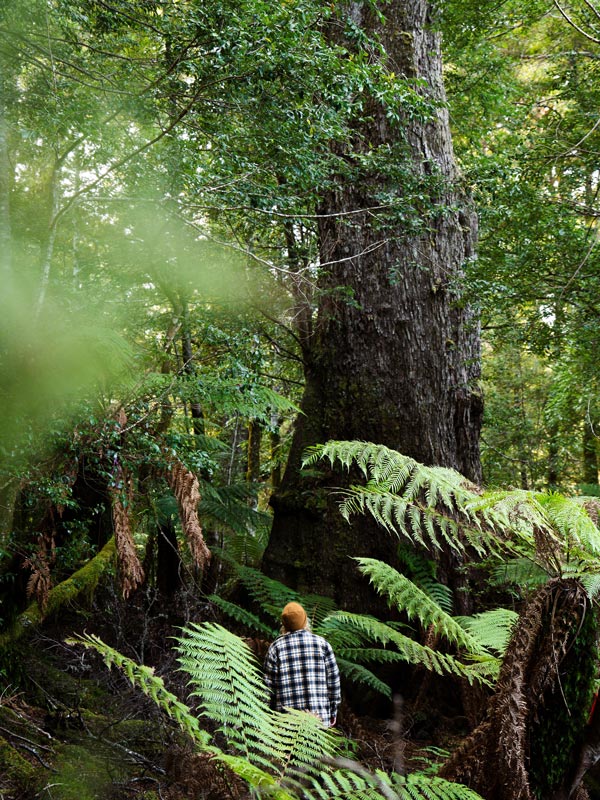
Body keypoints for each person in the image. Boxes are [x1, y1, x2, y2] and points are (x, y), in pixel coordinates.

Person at [263, 601, 341, 727]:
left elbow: (267, 689)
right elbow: (334, 683)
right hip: (319, 720)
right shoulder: (322, 644)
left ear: (284, 624)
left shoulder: (275, 648)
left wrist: (269, 718)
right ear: (305, 621)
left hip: (286, 723)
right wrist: (333, 711)